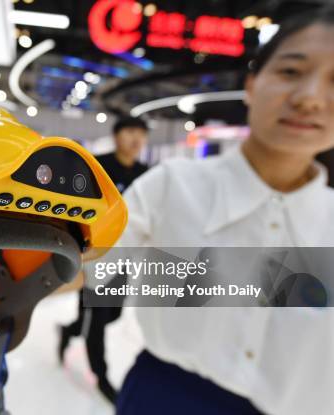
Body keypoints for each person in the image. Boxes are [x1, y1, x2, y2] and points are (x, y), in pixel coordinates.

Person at [114, 8, 334, 414]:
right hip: (162, 399)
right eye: (290, 72)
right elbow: (84, 263)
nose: (309, 98)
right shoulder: (171, 185)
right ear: (251, 84)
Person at [58, 116, 149, 404]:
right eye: (130, 131)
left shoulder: (146, 174)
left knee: (113, 314)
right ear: (117, 135)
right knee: (95, 320)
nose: (136, 139)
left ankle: (67, 330)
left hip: (123, 259)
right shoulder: (97, 167)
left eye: (141, 134)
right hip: (94, 256)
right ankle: (101, 375)